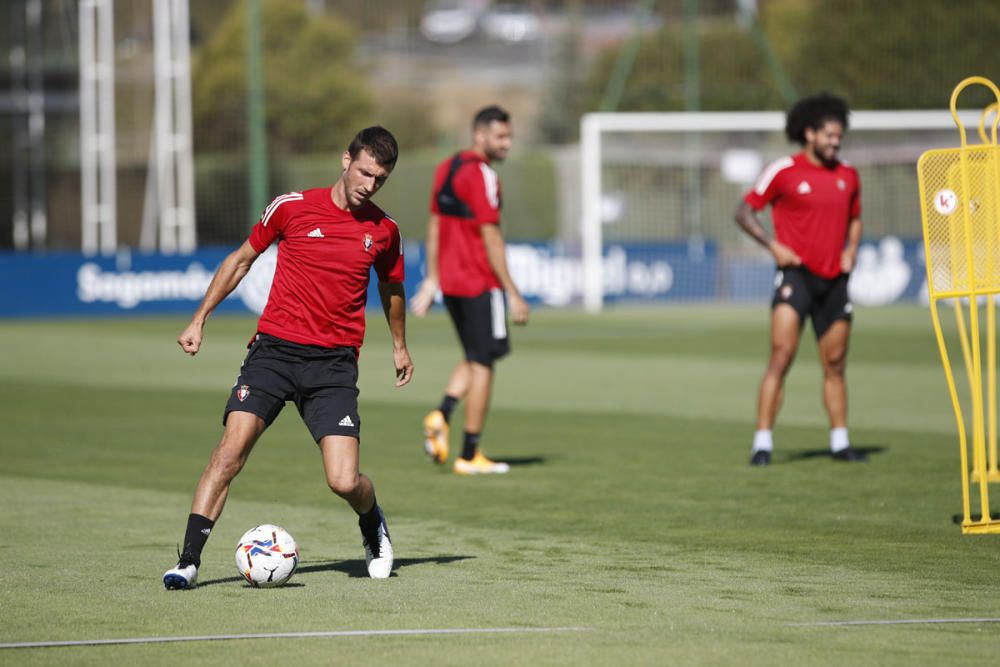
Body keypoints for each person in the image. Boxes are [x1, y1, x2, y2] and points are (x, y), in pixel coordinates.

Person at [162, 126, 413, 589]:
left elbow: (392, 287)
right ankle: (188, 562)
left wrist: (399, 343)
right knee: (228, 455)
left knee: (343, 481)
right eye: (364, 172)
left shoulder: (385, 230)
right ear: (345, 160)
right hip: (273, 353)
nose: (369, 185)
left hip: (334, 365)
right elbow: (241, 260)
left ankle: (372, 522)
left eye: (380, 179)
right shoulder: (292, 207)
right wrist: (200, 318)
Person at [735, 93, 866, 466]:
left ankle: (840, 443)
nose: (835, 142)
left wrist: (851, 249)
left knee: (836, 362)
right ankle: (762, 443)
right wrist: (773, 247)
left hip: (835, 280)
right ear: (809, 133)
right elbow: (743, 212)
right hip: (796, 277)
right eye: (829, 135)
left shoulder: (848, 175)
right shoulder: (783, 171)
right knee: (781, 356)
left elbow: (855, 218)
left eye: (839, 136)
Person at [409, 105, 529, 475]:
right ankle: (469, 454)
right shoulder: (483, 175)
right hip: (480, 280)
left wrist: (432, 278)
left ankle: (441, 414)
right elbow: (491, 235)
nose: (507, 143)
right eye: (500, 136)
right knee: (484, 364)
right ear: (479, 135)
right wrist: (512, 290)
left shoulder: (447, 168)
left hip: (453, 283)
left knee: (474, 355)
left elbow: (434, 225)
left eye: (509, 136)